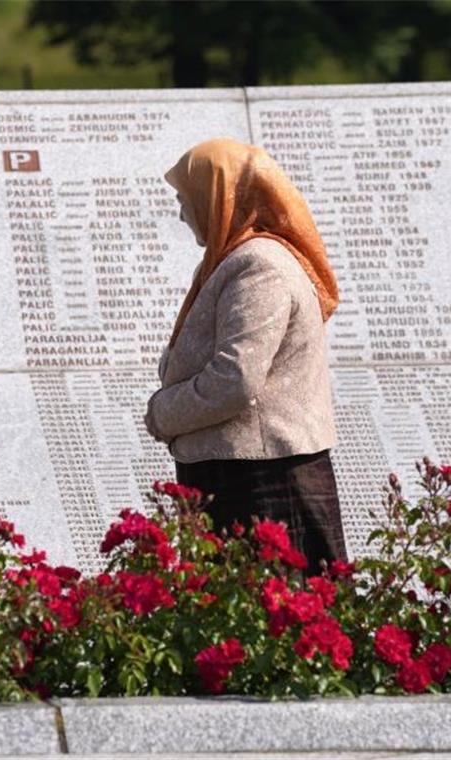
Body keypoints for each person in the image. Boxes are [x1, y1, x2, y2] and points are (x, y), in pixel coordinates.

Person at [143, 137, 348, 577]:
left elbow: (235, 379)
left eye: (187, 199)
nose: (182, 213)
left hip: (261, 480)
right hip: (242, 472)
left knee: (275, 624)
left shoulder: (260, 266)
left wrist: (163, 414)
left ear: (217, 197)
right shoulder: (231, 260)